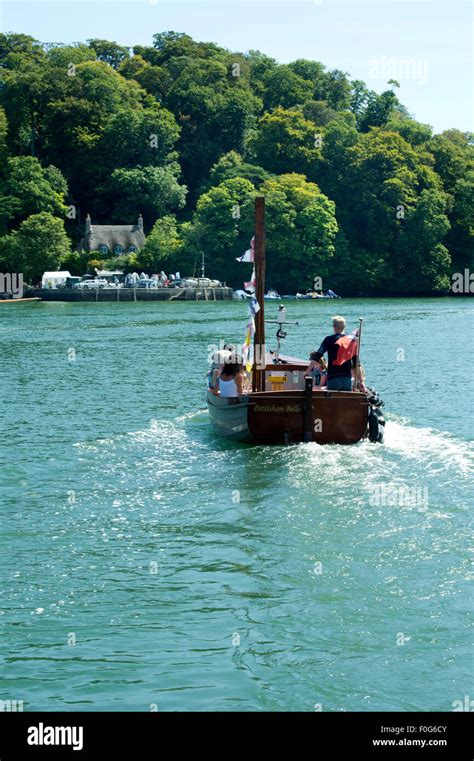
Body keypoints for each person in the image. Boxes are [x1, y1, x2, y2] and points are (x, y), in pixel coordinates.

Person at [307, 315, 357, 391]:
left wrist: (307, 371)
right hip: (347, 378)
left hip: (333, 377)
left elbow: (317, 356)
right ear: (344, 326)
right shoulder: (351, 341)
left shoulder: (328, 339)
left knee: (333, 400)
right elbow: (356, 362)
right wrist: (361, 381)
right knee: (345, 400)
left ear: (334, 326)